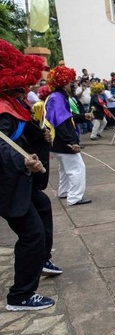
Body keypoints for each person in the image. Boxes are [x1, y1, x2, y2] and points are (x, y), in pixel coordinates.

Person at [0, 39, 62, 311]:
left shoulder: (13, 102)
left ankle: (42, 259)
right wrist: (24, 162)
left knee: (43, 205)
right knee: (32, 234)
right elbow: (3, 146)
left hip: (19, 182)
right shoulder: (3, 109)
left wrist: (42, 136)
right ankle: (20, 296)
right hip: (7, 183)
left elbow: (22, 133)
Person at [45, 66, 92, 206]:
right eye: (71, 82)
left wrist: (83, 116)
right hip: (62, 142)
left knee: (65, 169)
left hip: (59, 143)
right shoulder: (57, 98)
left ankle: (64, 192)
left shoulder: (59, 97)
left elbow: (67, 118)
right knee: (77, 168)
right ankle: (74, 197)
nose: (74, 84)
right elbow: (60, 123)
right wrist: (71, 142)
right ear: (64, 83)